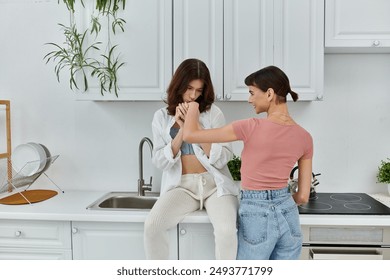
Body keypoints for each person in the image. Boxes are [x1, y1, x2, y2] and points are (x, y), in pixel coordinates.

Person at [183, 65, 313, 260]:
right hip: (289, 214)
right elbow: (303, 196)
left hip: (256, 213)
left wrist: (193, 106)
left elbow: (191, 135)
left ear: (269, 93)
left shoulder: (250, 127)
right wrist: (280, 204)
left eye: (252, 93)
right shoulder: (305, 137)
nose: (249, 99)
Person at [144, 58, 239, 260]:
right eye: (189, 89)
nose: (193, 96)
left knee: (226, 232)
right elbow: (160, 161)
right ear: (179, 85)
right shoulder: (161, 117)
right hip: (182, 187)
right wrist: (180, 130)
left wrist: (196, 126)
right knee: (153, 226)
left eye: (198, 90)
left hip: (214, 185)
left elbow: (223, 159)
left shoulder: (213, 113)